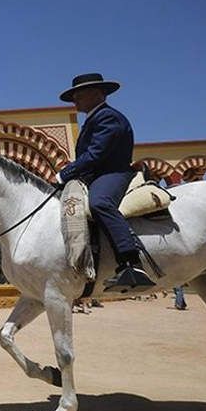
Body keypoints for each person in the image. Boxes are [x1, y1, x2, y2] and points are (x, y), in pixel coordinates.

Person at [55, 73, 155, 293]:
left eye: (78, 94)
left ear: (97, 93)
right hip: (97, 175)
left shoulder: (108, 117)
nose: (75, 100)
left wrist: (64, 174)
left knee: (100, 202)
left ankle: (131, 263)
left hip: (113, 173)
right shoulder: (94, 119)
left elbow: (95, 154)